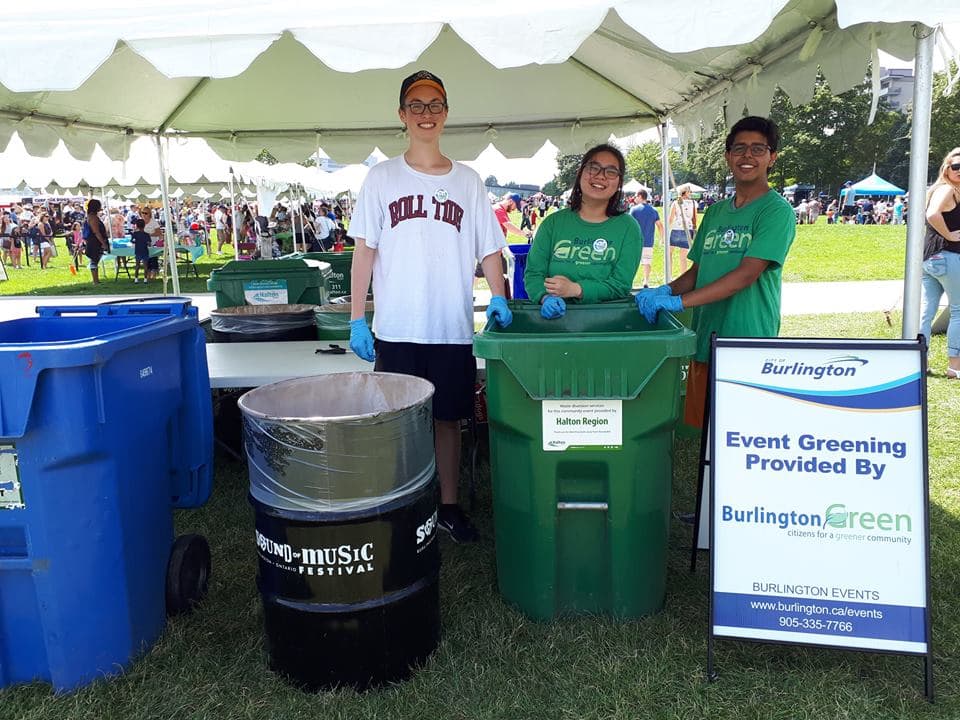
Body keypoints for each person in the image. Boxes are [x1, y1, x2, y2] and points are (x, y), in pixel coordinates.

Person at [348, 69, 512, 543]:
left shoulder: (468, 181)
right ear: (402, 115)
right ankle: (400, 505)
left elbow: (488, 248)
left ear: (446, 113)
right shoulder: (381, 178)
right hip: (397, 324)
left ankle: (448, 506)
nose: (426, 113)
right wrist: (359, 317)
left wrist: (499, 295)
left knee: (448, 420)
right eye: (416, 105)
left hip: (449, 325)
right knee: (398, 422)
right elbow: (365, 251)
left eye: (434, 104)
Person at [635, 116, 796, 429]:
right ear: (727, 156)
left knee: (741, 432)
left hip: (747, 338)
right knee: (707, 428)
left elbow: (746, 275)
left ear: (771, 157)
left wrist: (680, 303)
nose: (747, 156)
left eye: (757, 149)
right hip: (707, 335)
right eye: (739, 149)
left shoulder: (776, 211)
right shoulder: (717, 211)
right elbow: (698, 271)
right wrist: (666, 290)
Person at [523, 144, 641, 320]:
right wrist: (544, 297)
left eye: (611, 171)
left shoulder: (629, 228)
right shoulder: (553, 223)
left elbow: (620, 285)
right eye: (594, 168)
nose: (600, 176)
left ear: (619, 182)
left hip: (608, 324)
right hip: (555, 324)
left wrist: (576, 289)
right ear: (581, 173)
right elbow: (533, 274)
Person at [920, 147, 960, 379]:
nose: (959, 171)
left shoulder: (940, 189)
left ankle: (920, 362)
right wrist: (949, 235)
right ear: (946, 168)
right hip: (947, 256)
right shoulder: (947, 190)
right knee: (958, 311)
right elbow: (933, 214)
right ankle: (954, 366)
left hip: (930, 259)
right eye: (956, 167)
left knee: (927, 311)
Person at [629, 189, 663, 288]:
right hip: (648, 242)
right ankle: (646, 281)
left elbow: (630, 225)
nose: (634, 198)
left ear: (640, 196)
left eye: (635, 196)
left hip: (634, 242)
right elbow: (660, 225)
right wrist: (661, 238)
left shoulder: (634, 210)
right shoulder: (653, 210)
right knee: (647, 262)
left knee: (632, 263)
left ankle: (630, 281)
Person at [667, 184, 697, 275]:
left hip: (677, 228)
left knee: (669, 253)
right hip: (688, 229)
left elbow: (671, 218)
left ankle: (669, 274)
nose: (691, 193)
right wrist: (695, 227)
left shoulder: (676, 203)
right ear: (686, 193)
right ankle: (682, 275)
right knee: (683, 256)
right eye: (690, 191)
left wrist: (667, 230)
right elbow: (694, 218)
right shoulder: (693, 203)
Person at [83, 199, 110, 284]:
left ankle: (96, 280)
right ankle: (95, 280)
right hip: (94, 242)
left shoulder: (91, 216)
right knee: (94, 259)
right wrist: (103, 243)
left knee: (95, 260)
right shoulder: (93, 217)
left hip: (94, 241)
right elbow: (96, 232)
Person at [131, 218, 152, 283]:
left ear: (136, 225)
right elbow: (149, 244)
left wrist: (136, 242)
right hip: (145, 251)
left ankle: (136, 279)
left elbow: (132, 241)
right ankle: (145, 279)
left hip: (138, 251)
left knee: (137, 265)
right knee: (145, 266)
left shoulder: (135, 234)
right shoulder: (147, 234)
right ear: (144, 225)